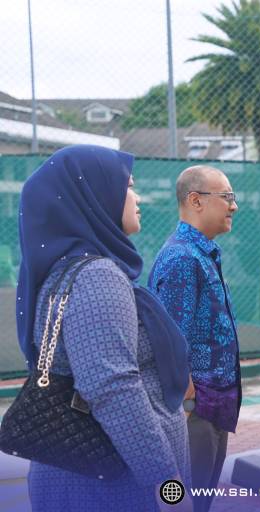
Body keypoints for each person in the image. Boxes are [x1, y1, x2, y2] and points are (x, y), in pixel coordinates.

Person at [15, 145, 192, 511]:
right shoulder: (97, 276)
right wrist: (167, 485)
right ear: (95, 197)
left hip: (86, 476)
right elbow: (112, 386)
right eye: (128, 187)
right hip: (113, 486)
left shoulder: (63, 269)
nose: (137, 198)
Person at [148, 165, 241, 512]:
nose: (234, 206)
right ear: (196, 200)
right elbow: (169, 343)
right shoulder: (182, 258)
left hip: (211, 408)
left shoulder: (201, 253)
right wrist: (186, 405)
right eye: (227, 197)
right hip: (194, 412)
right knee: (187, 502)